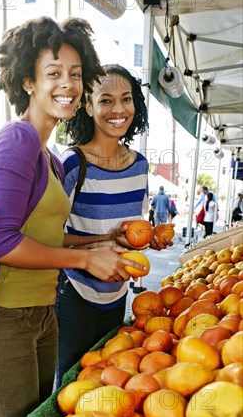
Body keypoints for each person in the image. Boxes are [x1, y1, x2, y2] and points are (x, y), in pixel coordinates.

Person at [0, 18, 144, 417]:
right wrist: (85, 260)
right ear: (28, 80)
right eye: (54, 73)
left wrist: (102, 243)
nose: (68, 84)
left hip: (43, 316)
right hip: (2, 319)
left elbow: (48, 237)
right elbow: (0, 241)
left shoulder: (49, 157)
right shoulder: (17, 140)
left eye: (76, 74)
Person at [54, 64, 171, 390]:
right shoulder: (73, 163)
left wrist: (150, 238)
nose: (118, 109)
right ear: (88, 106)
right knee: (70, 384)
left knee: (106, 376)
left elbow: (130, 232)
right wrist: (104, 240)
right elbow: (49, 237)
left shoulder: (140, 166)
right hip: (74, 292)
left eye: (126, 99)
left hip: (117, 294)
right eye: (106, 100)